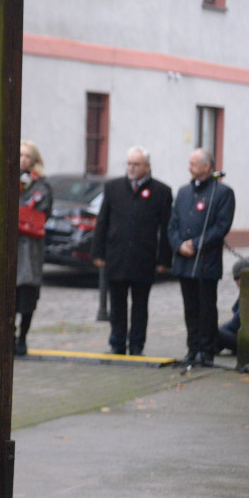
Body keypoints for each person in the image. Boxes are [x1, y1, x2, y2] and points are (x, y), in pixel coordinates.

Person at [91, 146, 173, 355]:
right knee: (117, 305)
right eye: (129, 163)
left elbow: (166, 229)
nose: (131, 168)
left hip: (144, 258)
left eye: (136, 164)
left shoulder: (161, 191)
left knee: (140, 306)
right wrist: (98, 253)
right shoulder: (113, 188)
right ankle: (117, 343)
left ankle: (137, 345)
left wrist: (164, 260)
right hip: (117, 257)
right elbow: (102, 222)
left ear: (147, 166)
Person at [168, 148, 235, 366]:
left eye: (193, 164)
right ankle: (192, 348)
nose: (189, 168)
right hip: (184, 260)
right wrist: (179, 245)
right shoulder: (183, 192)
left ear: (207, 167)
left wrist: (195, 244)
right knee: (190, 308)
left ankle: (207, 351)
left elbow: (221, 227)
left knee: (206, 308)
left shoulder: (222, 193)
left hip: (206, 261)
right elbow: (173, 224)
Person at [15, 140, 54, 356]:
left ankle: (23, 338)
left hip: (30, 247)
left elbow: (44, 210)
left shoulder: (42, 185)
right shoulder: (8, 179)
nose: (22, 160)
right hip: (12, 246)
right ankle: (8, 337)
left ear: (34, 160)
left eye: (27, 156)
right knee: (8, 295)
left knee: (28, 295)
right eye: (19, 155)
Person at [218, 258, 249, 357]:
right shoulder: (246, 291)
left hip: (248, 341)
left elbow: (234, 323)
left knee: (215, 332)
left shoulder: (248, 295)